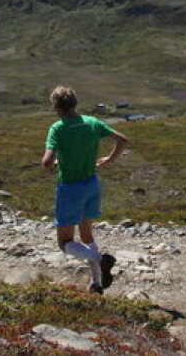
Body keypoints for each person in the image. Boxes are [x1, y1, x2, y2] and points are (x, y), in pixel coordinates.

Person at [41, 85, 129, 293]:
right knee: (87, 234)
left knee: (64, 242)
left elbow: (46, 162)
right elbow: (123, 140)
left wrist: (52, 165)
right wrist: (109, 159)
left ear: (56, 106)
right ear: (75, 103)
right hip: (91, 184)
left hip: (70, 188)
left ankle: (101, 260)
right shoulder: (92, 122)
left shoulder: (58, 128)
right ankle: (97, 284)